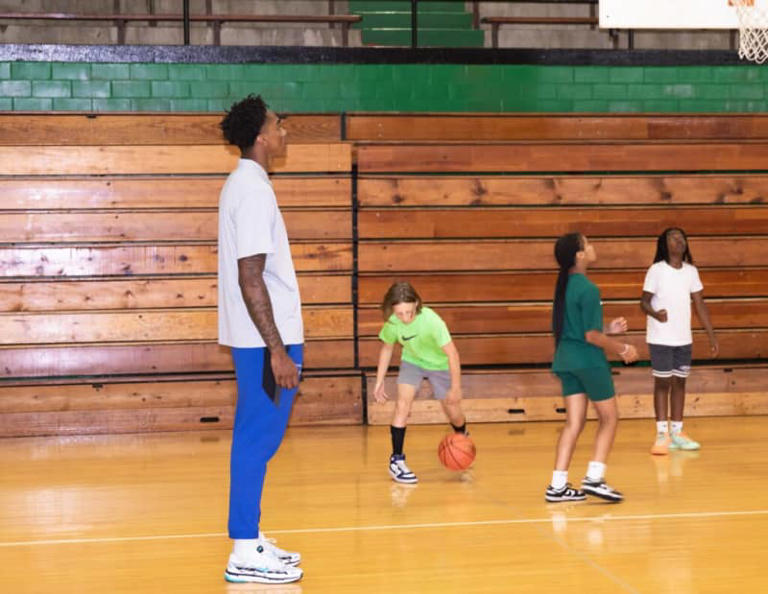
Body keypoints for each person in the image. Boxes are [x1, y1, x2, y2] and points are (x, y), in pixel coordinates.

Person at [218, 95, 303, 584]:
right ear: (260, 136)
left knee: (257, 438)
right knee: (257, 439)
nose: (284, 129)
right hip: (263, 341)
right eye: (278, 123)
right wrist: (277, 349)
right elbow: (251, 275)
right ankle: (244, 550)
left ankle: (250, 536)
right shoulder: (251, 190)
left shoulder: (248, 185)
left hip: (258, 339)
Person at [547, 233, 639, 503]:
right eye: (588, 244)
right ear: (580, 254)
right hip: (588, 361)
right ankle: (595, 478)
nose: (592, 247)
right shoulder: (588, 288)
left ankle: (557, 485)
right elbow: (591, 337)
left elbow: (579, 329)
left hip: (566, 359)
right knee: (609, 419)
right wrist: (623, 348)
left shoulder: (564, 287)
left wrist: (608, 329)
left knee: (573, 423)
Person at [373, 281, 468, 484]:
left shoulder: (432, 321)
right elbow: (387, 348)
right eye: (400, 313)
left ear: (416, 303)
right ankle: (396, 461)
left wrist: (456, 388)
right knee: (402, 406)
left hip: (439, 364)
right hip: (412, 361)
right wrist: (379, 381)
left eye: (409, 312)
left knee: (453, 410)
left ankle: (461, 434)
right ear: (392, 310)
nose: (405, 318)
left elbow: (452, 354)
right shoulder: (392, 323)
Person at [641, 227, 718, 455]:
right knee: (662, 383)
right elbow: (644, 302)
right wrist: (656, 314)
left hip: (683, 338)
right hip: (661, 337)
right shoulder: (656, 270)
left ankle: (677, 432)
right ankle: (661, 433)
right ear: (664, 244)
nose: (679, 241)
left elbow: (700, 305)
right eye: (673, 238)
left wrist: (711, 334)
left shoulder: (691, 272)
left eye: (682, 237)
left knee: (680, 383)